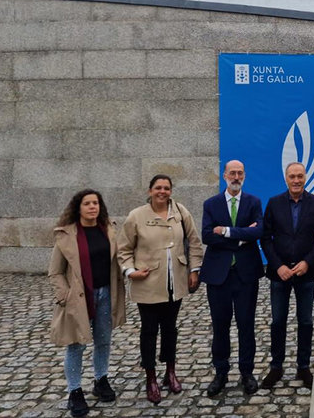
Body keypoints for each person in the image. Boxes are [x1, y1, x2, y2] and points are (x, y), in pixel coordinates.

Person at [117, 174, 203, 404]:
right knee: (149, 330)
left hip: (176, 282)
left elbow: (194, 242)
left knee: (170, 328)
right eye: (158, 188)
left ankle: (170, 371)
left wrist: (194, 270)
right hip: (148, 283)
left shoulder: (181, 212)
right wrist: (129, 271)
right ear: (150, 191)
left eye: (166, 188)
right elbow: (123, 249)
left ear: (171, 191)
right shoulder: (136, 216)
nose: (162, 192)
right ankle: (151, 376)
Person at [48, 189, 126, 418]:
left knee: (103, 341)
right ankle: (74, 391)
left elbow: (119, 259)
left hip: (106, 294)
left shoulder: (108, 230)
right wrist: (64, 296)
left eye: (96, 203)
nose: (93, 207)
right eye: (87, 203)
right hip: (79, 297)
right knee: (76, 344)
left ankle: (101, 379)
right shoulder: (66, 235)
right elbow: (55, 272)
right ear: (78, 207)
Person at [260, 162, 314, 390]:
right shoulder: (274, 203)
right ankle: (276, 367)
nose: (296, 180)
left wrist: (308, 262)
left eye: (300, 176)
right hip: (279, 273)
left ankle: (303, 367)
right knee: (278, 321)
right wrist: (277, 265)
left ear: (305, 178)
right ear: (286, 178)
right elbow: (266, 238)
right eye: (292, 176)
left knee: (306, 321)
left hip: (305, 274)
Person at [201, 160, 265, 396]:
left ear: (244, 176)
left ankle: (247, 372)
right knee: (220, 326)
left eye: (240, 173)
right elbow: (207, 235)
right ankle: (221, 372)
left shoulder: (253, 202)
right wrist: (242, 237)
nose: (236, 177)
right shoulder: (211, 204)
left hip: (246, 274)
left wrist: (227, 232)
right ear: (224, 175)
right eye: (232, 173)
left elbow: (258, 231)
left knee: (246, 325)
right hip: (219, 276)